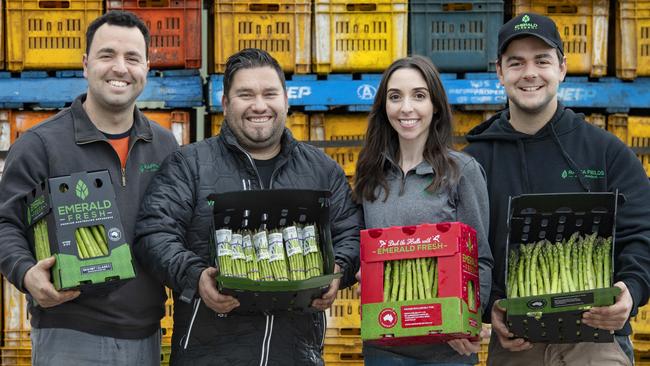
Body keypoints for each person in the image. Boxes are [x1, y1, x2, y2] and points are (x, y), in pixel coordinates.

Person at [133, 48, 362, 365]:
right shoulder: (190, 165)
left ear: (285, 99)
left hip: (296, 356)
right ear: (226, 104)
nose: (259, 105)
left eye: (270, 93)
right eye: (245, 94)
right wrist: (195, 276)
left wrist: (338, 270)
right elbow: (154, 233)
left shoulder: (322, 170)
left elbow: (350, 234)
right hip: (209, 355)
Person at [464, 13, 650, 366]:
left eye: (542, 60)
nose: (530, 73)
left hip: (597, 341)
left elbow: (643, 232)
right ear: (500, 73)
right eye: (516, 63)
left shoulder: (606, 152)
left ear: (562, 68)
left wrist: (632, 289)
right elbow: (468, 252)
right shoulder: (474, 161)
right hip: (517, 344)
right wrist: (490, 308)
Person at [0, 11, 178, 366]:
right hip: (69, 332)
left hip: (146, 333)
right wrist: (25, 272)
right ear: (85, 64)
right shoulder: (41, 144)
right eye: (107, 55)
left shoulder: (164, 145)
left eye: (132, 58)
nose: (120, 68)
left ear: (146, 68)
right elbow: (6, 223)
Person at [352, 55, 493, 366]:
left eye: (419, 95)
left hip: (446, 350)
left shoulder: (463, 171)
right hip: (384, 345)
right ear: (383, 107)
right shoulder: (370, 172)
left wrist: (467, 320)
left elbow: (480, 258)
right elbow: (360, 251)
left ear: (435, 106)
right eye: (395, 97)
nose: (406, 108)